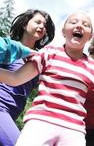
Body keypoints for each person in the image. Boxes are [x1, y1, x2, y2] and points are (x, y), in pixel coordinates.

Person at [0, 11, 94, 146]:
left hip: (73, 129)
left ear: (90, 36)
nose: (79, 25)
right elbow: (15, 78)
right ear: (63, 31)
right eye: (73, 22)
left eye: (85, 24)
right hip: (40, 121)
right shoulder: (48, 54)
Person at [0, 9, 55, 146]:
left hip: (12, 114)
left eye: (45, 26)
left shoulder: (40, 60)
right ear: (25, 24)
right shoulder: (9, 48)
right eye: (38, 22)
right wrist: (25, 51)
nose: (42, 26)